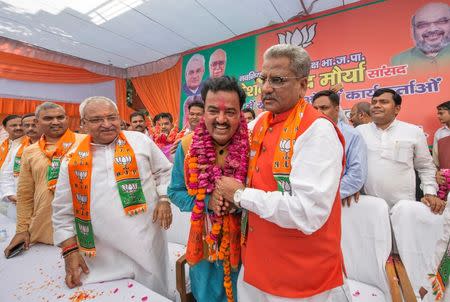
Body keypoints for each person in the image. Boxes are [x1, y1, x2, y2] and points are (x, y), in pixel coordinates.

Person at [216, 44, 349, 301]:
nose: (266, 88)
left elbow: (308, 212)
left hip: (301, 274)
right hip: (256, 263)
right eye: (263, 79)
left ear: (302, 84)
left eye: (277, 80)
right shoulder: (260, 123)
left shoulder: (317, 131)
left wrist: (241, 196)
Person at [52, 96, 172, 294]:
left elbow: (165, 172)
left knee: (154, 291)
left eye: (112, 117)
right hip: (101, 252)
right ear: (82, 124)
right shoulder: (72, 159)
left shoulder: (140, 141)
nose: (106, 124)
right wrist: (70, 252)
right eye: (97, 119)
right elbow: (62, 210)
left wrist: (164, 199)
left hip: (147, 238)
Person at [168, 76, 249, 302]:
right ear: (203, 111)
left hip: (246, 246)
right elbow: (175, 191)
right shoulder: (187, 146)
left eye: (230, 112)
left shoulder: (253, 146)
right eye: (213, 110)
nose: (221, 119)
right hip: (204, 245)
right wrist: (206, 201)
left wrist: (241, 200)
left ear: (240, 114)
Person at [357, 88, 445, 295]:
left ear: (396, 109)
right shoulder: (360, 132)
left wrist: (430, 191)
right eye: (375, 101)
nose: (377, 105)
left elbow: (425, 167)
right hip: (369, 210)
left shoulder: (412, 131)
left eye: (384, 102)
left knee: (405, 256)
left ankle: (409, 293)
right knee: (376, 259)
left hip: (403, 210)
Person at [3, 102, 85, 257]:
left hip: (84, 231)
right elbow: (25, 195)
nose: (55, 122)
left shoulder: (86, 142)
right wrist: (21, 230)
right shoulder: (30, 152)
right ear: (37, 122)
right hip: (45, 231)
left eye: (60, 117)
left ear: (67, 119)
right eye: (48, 118)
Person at [312, 90, 367, 207]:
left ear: (337, 110)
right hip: (309, 201)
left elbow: (356, 175)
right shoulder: (305, 134)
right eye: (315, 108)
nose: (318, 112)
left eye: (324, 108)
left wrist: (324, 196)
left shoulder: (352, 135)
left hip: (337, 201)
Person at [0, 113, 42, 220]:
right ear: (4, 128)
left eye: (34, 125)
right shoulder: (9, 145)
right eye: (26, 125)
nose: (19, 128)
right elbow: (6, 174)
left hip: (40, 201)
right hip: (13, 198)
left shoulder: (50, 146)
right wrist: (10, 195)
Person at [391, 2, 450, 73]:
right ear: (413, 30)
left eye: (441, 22)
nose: (432, 29)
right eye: (422, 25)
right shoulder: (398, 61)